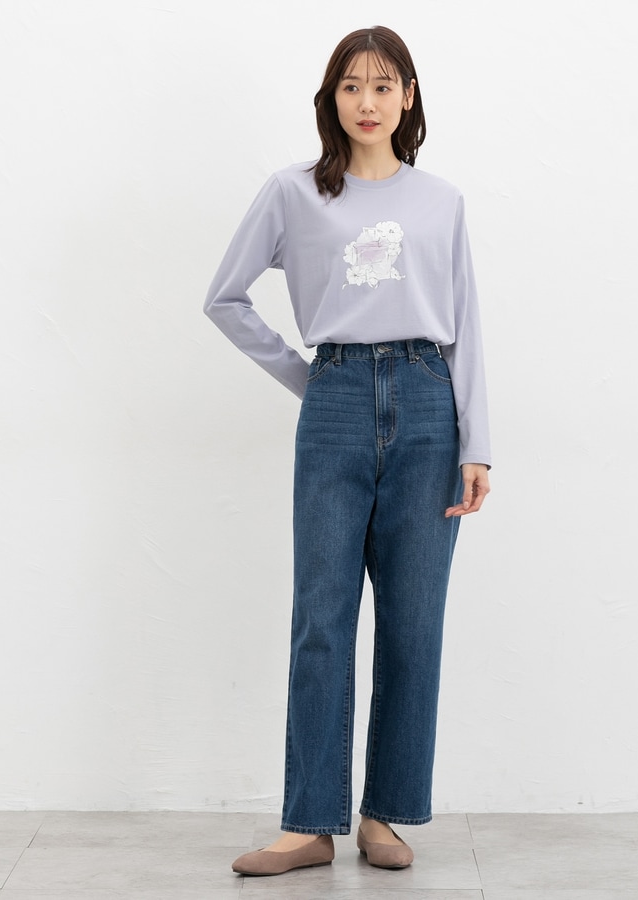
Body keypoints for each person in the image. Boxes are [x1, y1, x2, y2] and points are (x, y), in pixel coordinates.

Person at [204, 25, 491, 877]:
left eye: (383, 85)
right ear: (331, 98)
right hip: (334, 401)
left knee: (413, 624)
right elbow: (225, 297)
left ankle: (382, 816)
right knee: (321, 619)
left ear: (409, 96)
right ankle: (308, 823)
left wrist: (478, 443)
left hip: (429, 405)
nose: (367, 102)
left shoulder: (441, 200)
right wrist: (311, 380)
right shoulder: (294, 192)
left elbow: (466, 326)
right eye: (351, 86)